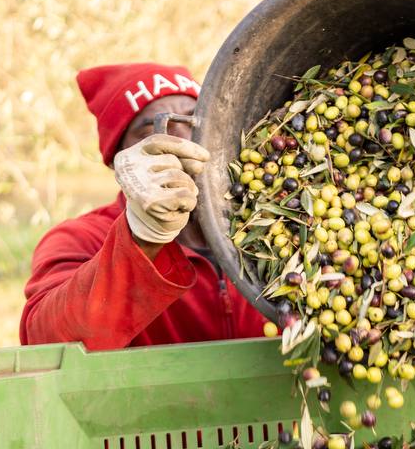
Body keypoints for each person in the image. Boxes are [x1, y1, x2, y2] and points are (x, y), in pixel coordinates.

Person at [20, 63, 268, 350]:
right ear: (120, 161)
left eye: (194, 121)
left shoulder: (270, 224)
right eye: (154, 130)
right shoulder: (81, 239)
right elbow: (45, 342)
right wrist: (142, 239)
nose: (184, 141)